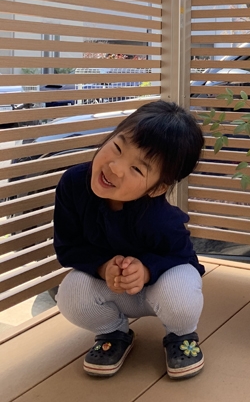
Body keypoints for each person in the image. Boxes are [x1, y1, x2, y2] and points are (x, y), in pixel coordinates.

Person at [53, 100, 206, 379]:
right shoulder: (73, 184)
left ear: (157, 187)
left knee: (182, 296)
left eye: (137, 169)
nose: (116, 168)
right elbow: (68, 248)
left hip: (158, 289)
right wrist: (102, 266)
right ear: (110, 135)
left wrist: (146, 270)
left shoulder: (162, 218)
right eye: (118, 147)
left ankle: (181, 336)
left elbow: (186, 261)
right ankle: (114, 333)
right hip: (112, 290)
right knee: (71, 295)